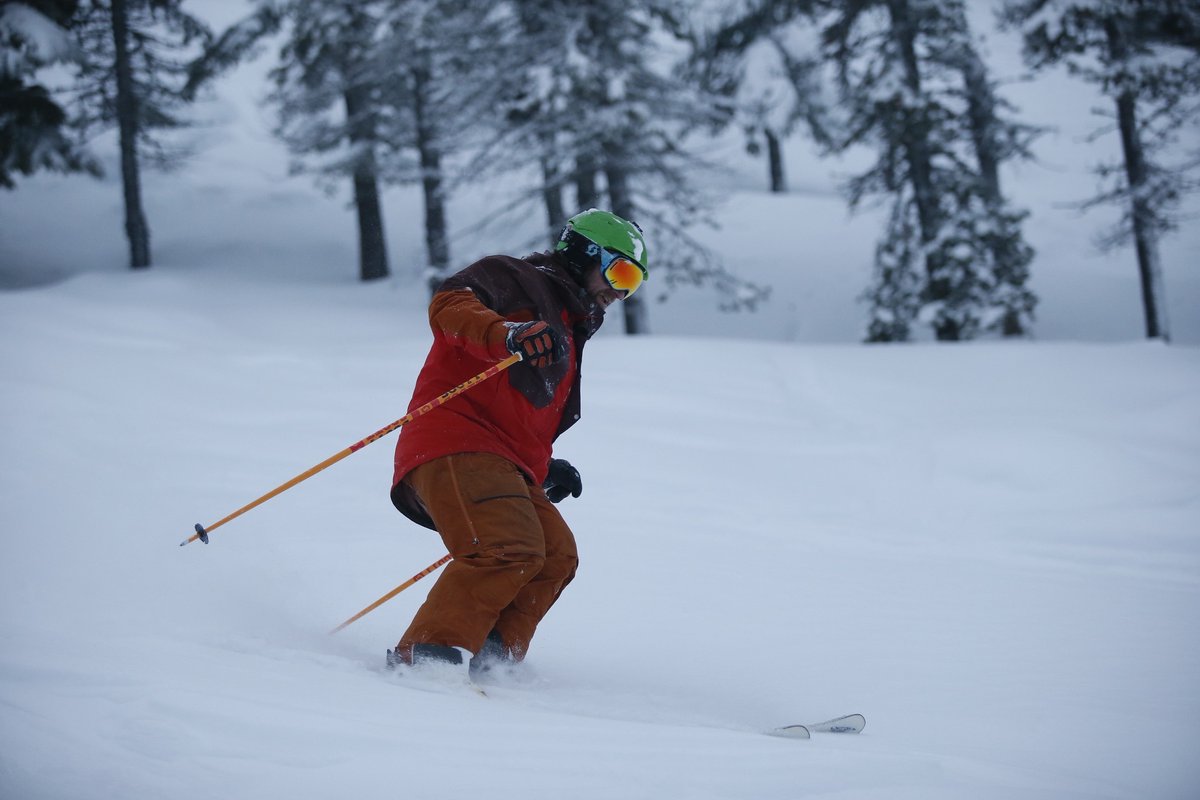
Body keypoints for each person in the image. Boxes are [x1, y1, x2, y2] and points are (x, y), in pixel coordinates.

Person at [386, 208, 649, 676]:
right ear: (584, 253)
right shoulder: (513, 278)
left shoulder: (565, 326)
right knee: (509, 545)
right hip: (455, 440)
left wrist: (542, 467)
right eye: (620, 271)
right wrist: (506, 334)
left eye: (634, 283)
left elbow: (518, 415)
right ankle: (428, 660)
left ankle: (492, 664)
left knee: (555, 555)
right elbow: (449, 304)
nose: (621, 291)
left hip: (504, 458)